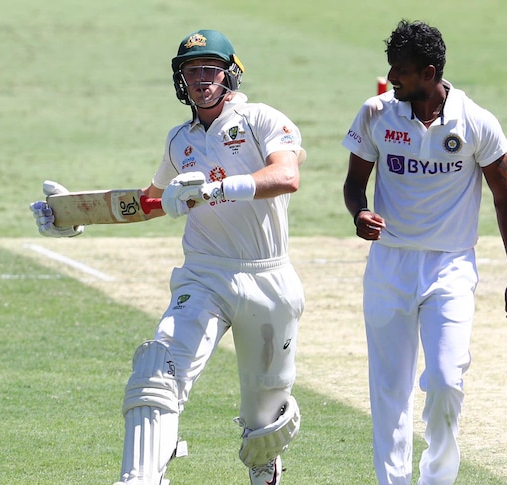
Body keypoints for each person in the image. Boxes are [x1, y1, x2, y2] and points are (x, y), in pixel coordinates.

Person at [30, 29, 307, 485]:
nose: (201, 80)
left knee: (265, 413)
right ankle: (141, 478)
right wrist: (71, 213)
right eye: (191, 71)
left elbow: (286, 175)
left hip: (267, 276)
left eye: (210, 70)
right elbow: (151, 202)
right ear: (181, 79)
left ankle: (265, 465)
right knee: (156, 371)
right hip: (204, 275)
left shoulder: (261, 119)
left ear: (229, 73)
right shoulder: (179, 140)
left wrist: (215, 190)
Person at [341, 20, 507, 485]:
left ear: (429, 73)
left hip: (450, 267)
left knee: (446, 381)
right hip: (389, 265)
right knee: (390, 389)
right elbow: (353, 183)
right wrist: (359, 213)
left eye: (401, 71)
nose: (392, 76)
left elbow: (505, 197)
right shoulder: (376, 113)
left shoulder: (476, 121)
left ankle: (437, 478)